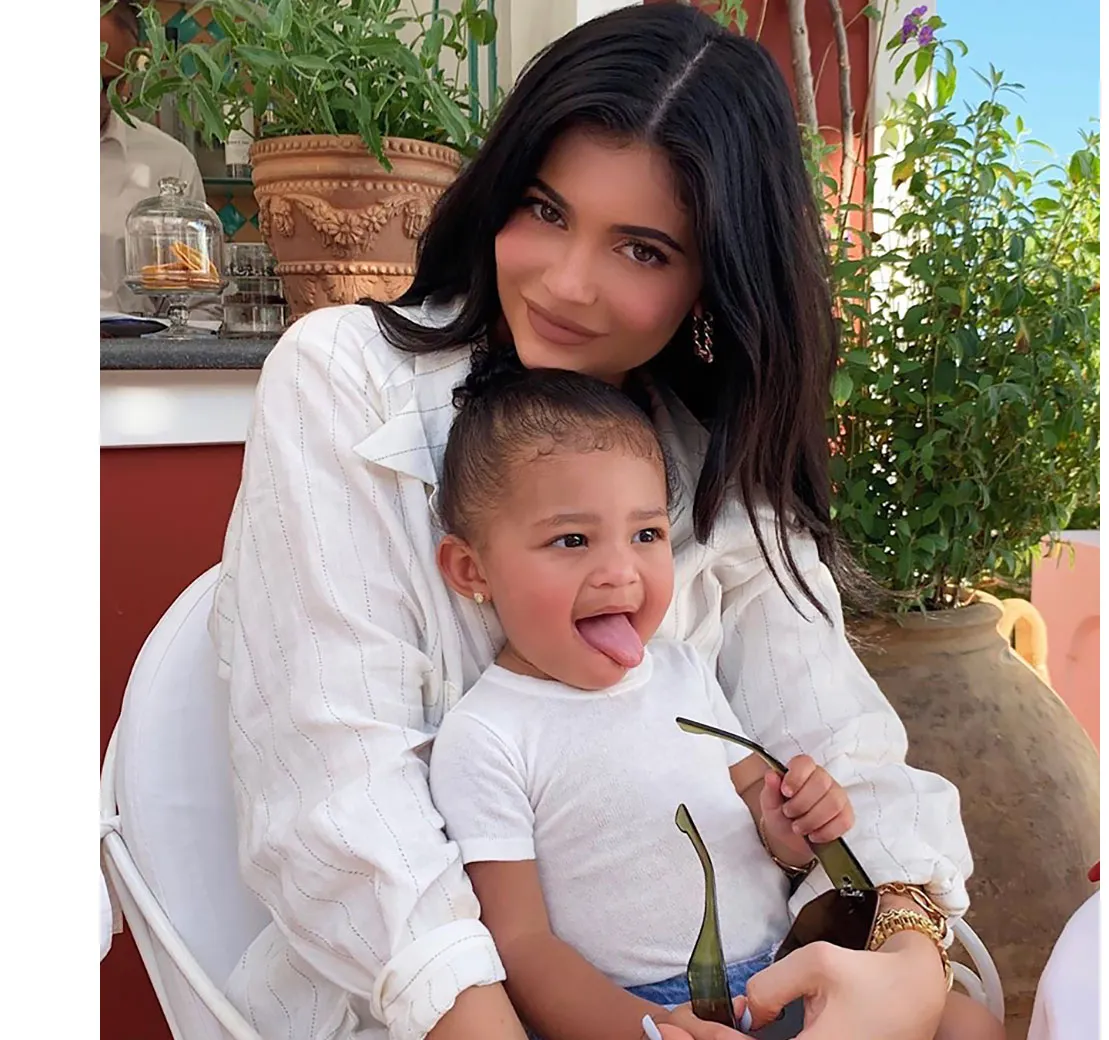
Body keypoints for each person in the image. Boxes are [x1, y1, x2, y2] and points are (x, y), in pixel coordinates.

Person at [211, 5, 977, 1039]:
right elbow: (340, 796)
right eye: (545, 207)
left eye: (644, 250)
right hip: (435, 1007)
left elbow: (839, 743)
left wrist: (910, 959)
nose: (567, 282)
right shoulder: (346, 381)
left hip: (725, 983)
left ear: (714, 280)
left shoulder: (713, 460)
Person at [426, 368, 1000, 1040]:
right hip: (643, 1008)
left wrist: (791, 829)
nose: (621, 571)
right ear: (471, 569)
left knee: (968, 1025)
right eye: (572, 540)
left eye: (645, 535)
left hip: (779, 970)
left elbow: (755, 801)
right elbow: (522, 943)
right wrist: (648, 1028)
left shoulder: (684, 672)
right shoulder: (488, 734)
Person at [100, 0, 206, 315]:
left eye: (106, 83)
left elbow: (199, 304)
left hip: (133, 346)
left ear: (130, 75)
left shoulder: (170, 163)